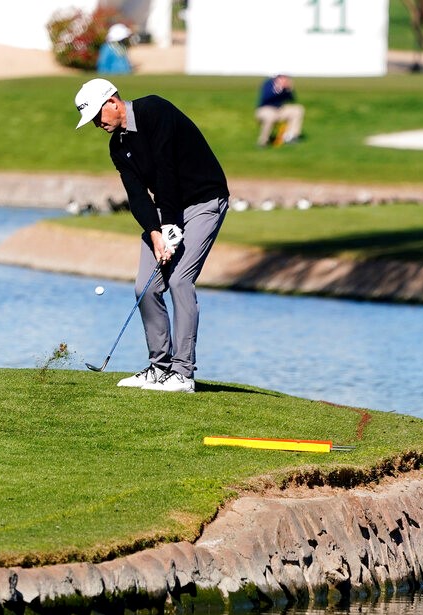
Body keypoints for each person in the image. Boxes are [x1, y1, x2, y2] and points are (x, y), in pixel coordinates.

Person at [74, 78, 230, 393]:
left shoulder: (154, 110)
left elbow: (165, 170)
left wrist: (170, 225)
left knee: (179, 281)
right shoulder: (118, 146)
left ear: (112, 102)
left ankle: (183, 373)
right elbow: (138, 196)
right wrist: (156, 233)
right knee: (144, 287)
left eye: (96, 116)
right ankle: (159, 367)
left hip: (204, 200)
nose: (96, 125)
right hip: (167, 209)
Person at [255, 74, 305, 147]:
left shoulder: (285, 88)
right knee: (270, 116)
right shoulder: (268, 84)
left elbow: (292, 99)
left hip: (279, 109)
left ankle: (291, 137)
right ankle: (263, 141)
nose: (284, 80)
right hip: (265, 109)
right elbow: (266, 97)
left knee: (298, 110)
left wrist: (289, 89)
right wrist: (278, 88)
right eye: (282, 78)